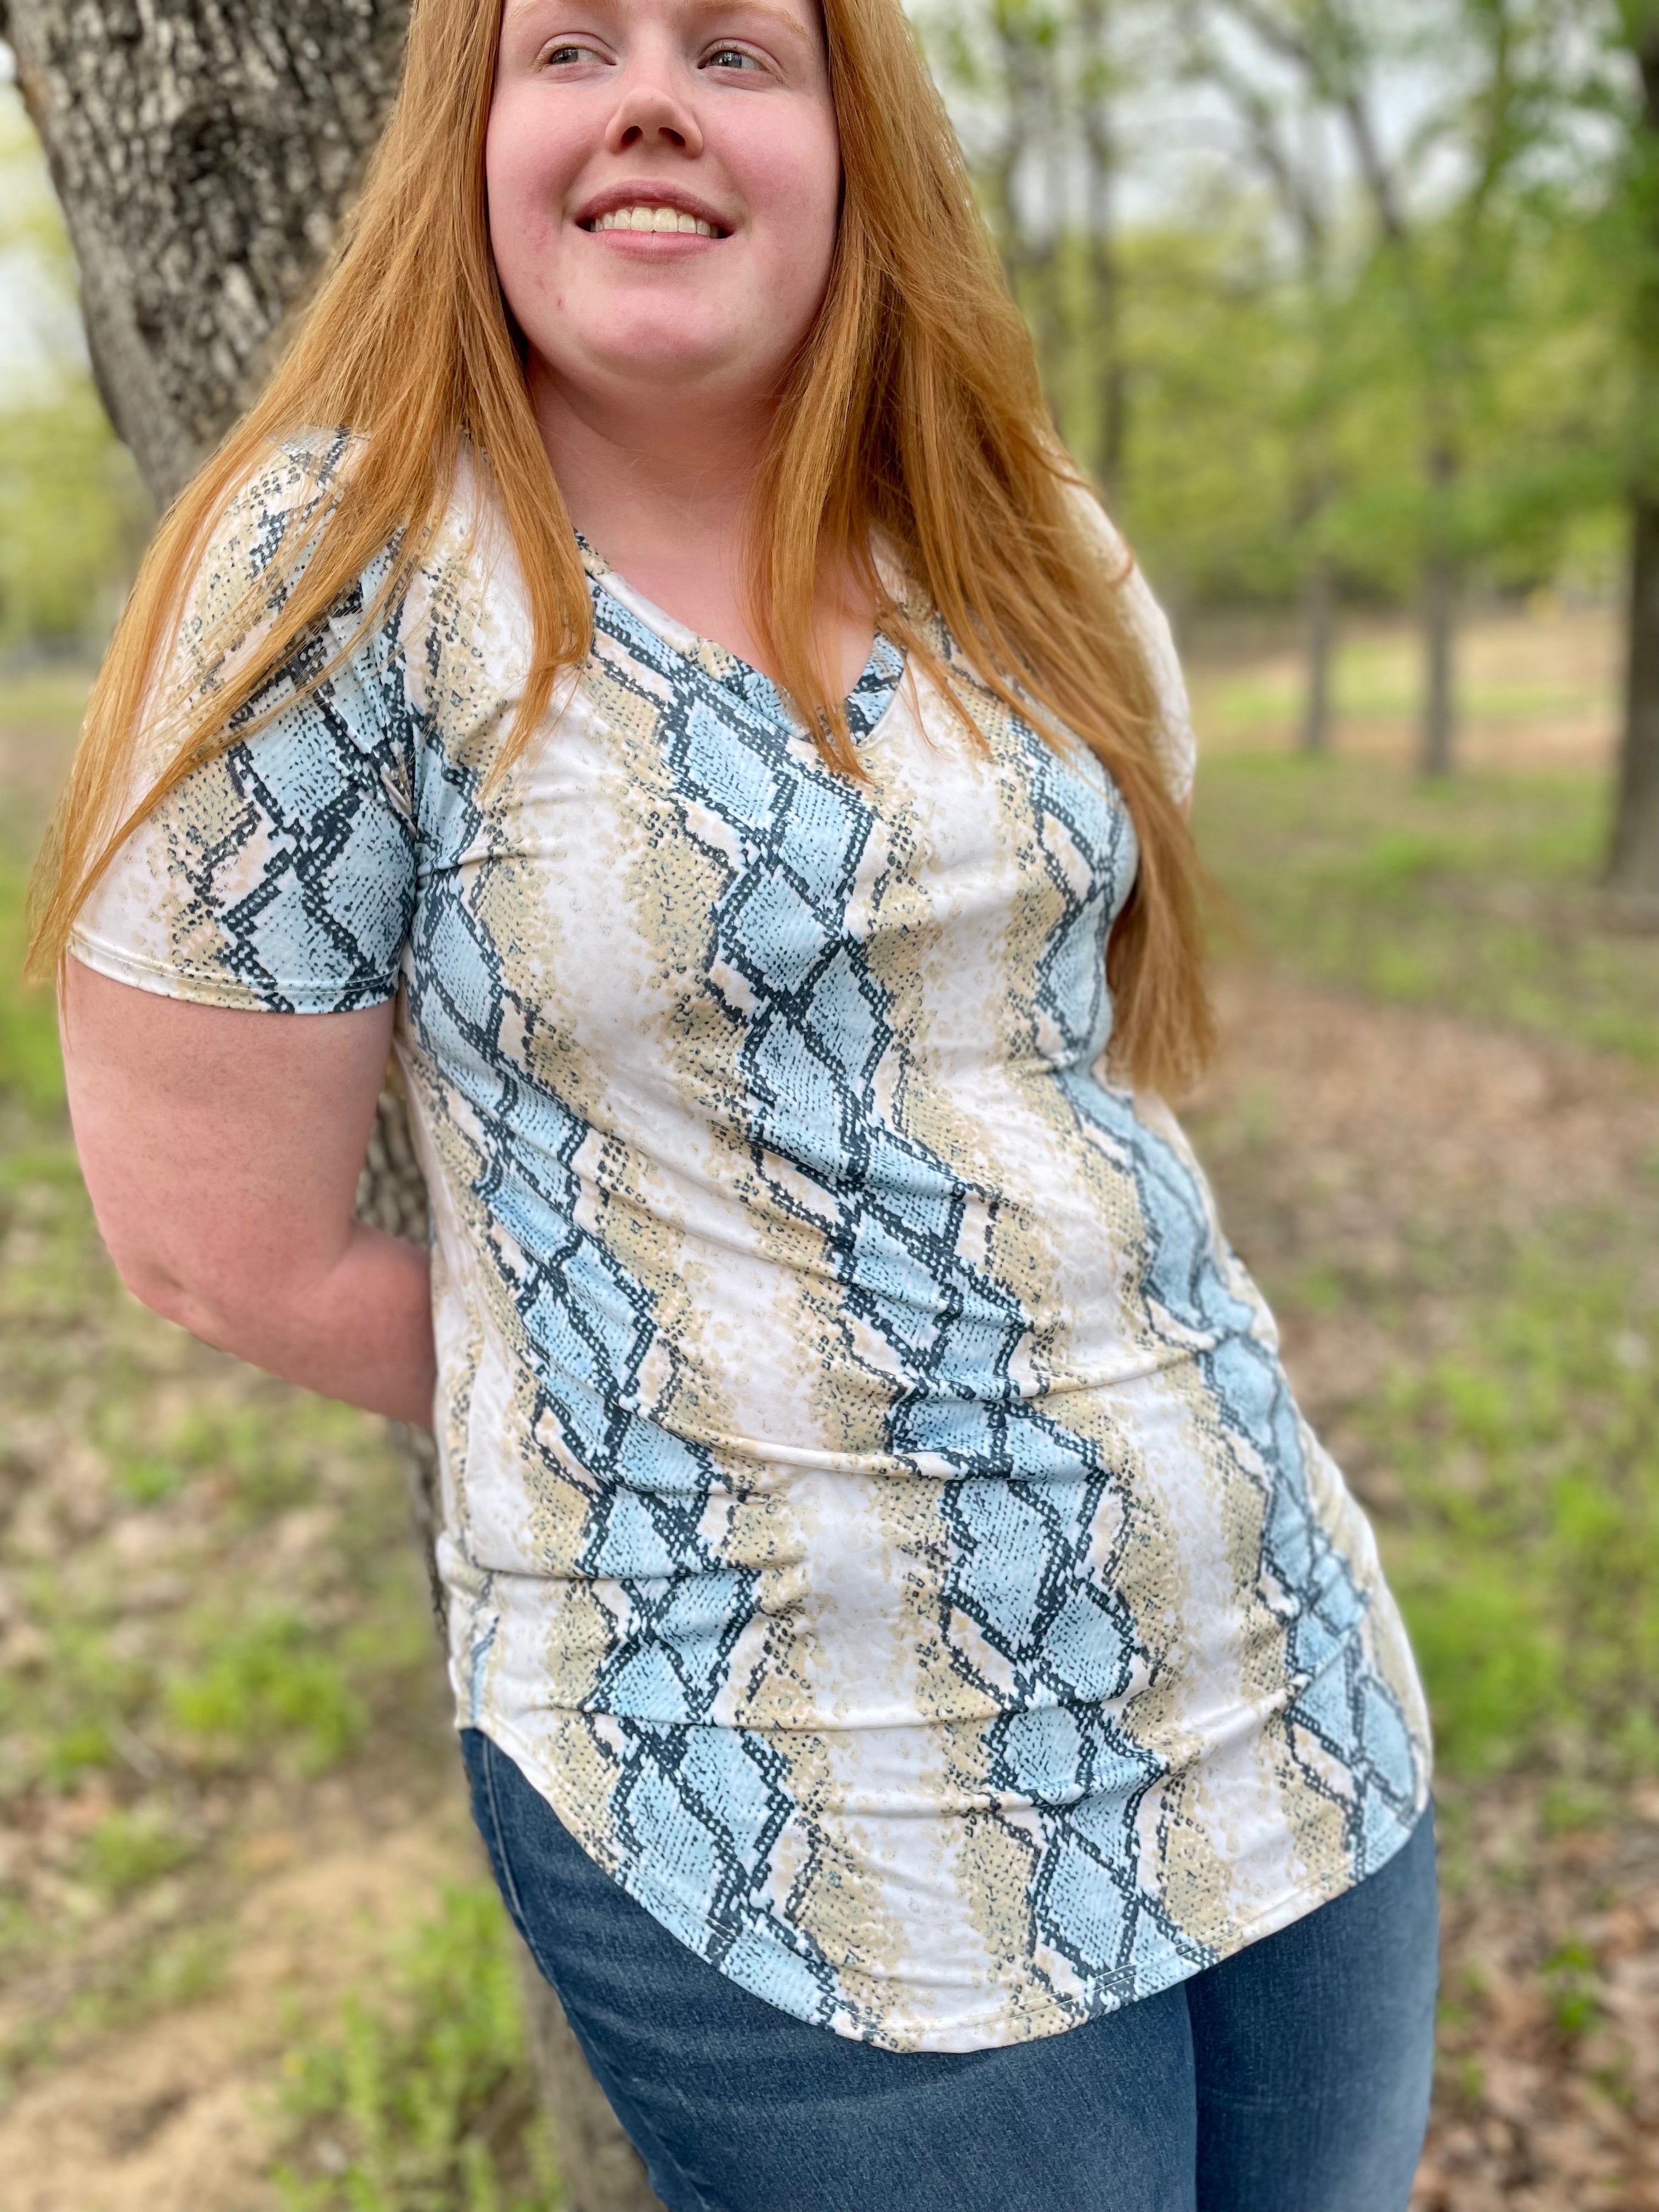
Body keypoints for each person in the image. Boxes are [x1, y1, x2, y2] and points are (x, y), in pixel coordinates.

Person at [31, 0, 1438, 2200]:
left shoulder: (1013, 529)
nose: (653, 97)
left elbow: (1071, 1053)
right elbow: (217, 1253)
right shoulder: (337, 577)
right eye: (569, 46)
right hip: (792, 1788)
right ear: (464, 141)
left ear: (854, 140)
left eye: (738, 49)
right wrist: (705, 1406)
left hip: (1271, 1674)